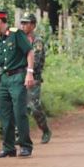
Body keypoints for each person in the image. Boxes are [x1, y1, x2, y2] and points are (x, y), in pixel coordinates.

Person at [0, 9, 36, 158]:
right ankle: (8, 147)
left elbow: (29, 52)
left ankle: (25, 146)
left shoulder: (16, 34)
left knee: (19, 112)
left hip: (18, 77)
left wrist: (29, 72)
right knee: (5, 114)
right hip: (4, 80)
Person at [18, 11, 52, 145]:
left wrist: (26, 70)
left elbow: (36, 61)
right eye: (22, 23)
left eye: (26, 23)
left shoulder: (37, 42)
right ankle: (19, 135)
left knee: (34, 106)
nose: (23, 26)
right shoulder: (19, 39)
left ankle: (45, 130)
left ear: (33, 25)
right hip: (19, 77)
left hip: (34, 78)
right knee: (19, 106)